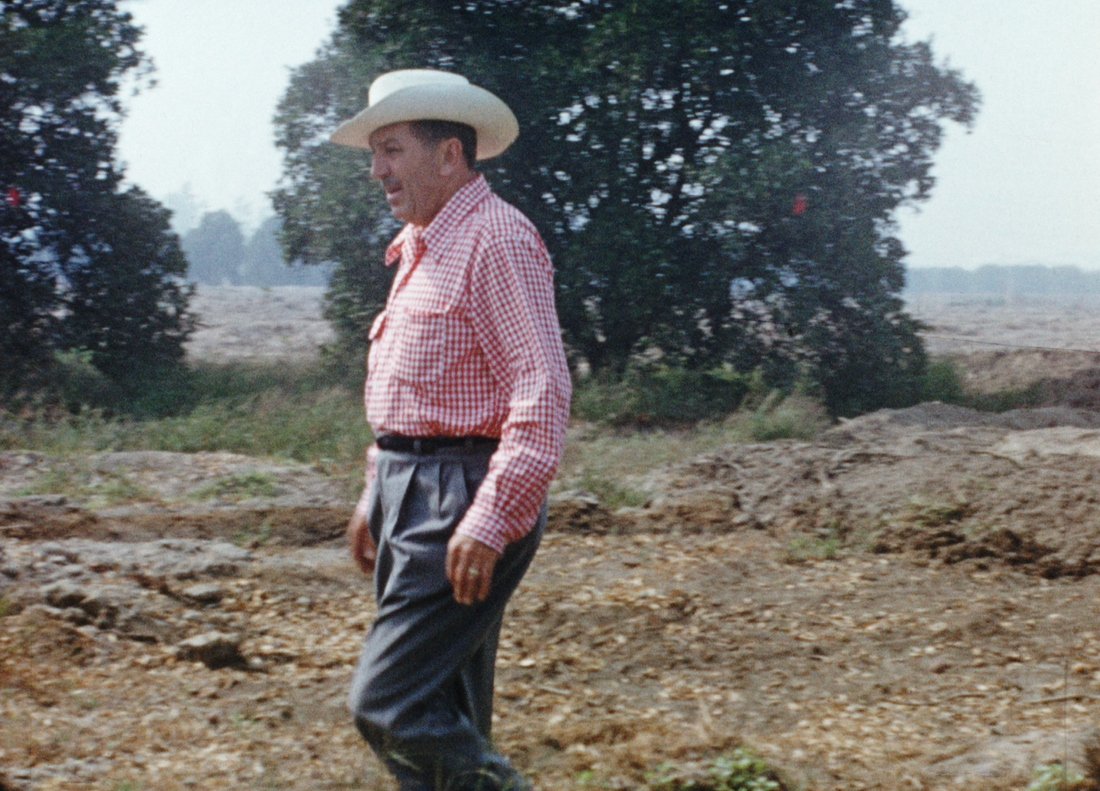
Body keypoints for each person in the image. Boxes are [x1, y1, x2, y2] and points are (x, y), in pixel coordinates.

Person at [330, 69, 572, 791]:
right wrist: (377, 489)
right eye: (376, 152)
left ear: (449, 155)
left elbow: (541, 386)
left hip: (462, 495)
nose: (377, 169)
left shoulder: (496, 239)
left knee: (387, 701)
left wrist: (493, 515)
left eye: (393, 148)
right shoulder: (420, 249)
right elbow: (413, 398)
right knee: (442, 705)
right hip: (415, 491)